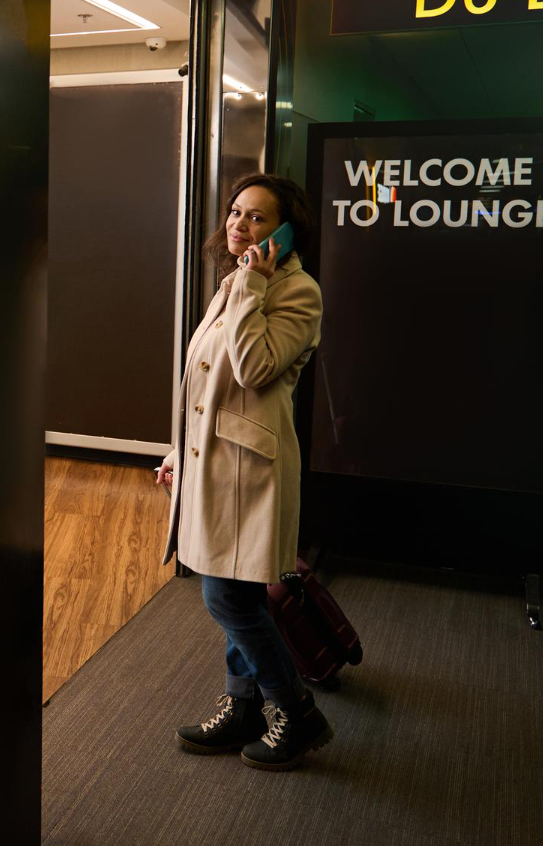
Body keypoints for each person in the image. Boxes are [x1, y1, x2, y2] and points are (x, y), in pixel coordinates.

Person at [155, 172, 330, 772]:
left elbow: (253, 370)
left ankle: (296, 712)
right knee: (241, 594)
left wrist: (254, 283)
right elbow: (203, 383)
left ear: (285, 231)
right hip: (214, 461)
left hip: (250, 473)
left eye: (256, 217)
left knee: (227, 597)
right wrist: (180, 449)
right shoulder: (234, 283)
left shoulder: (296, 291)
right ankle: (244, 706)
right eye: (235, 212)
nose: (238, 225)